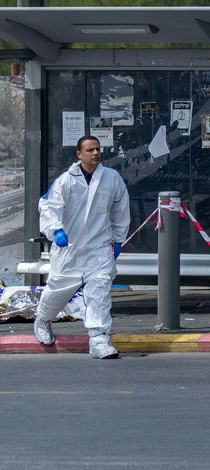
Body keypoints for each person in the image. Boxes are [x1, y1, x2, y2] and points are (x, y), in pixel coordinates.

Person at [33, 135, 131, 359]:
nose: (95, 153)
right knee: (57, 292)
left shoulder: (111, 178)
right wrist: (56, 230)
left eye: (97, 149)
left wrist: (118, 239)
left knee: (99, 293)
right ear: (79, 154)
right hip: (70, 248)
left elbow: (120, 209)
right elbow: (49, 206)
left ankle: (98, 340)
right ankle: (43, 319)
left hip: (99, 247)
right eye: (90, 150)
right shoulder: (66, 180)